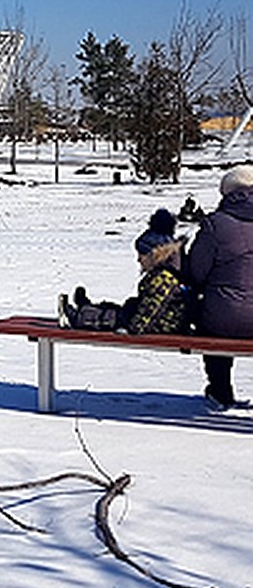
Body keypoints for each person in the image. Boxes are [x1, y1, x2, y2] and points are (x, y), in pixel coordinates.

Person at [185, 164, 253, 408]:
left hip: (223, 318)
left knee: (213, 321)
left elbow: (196, 272)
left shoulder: (216, 224)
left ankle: (220, 390)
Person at [58, 208, 189, 333]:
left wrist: (132, 327)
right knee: (124, 308)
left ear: (154, 256)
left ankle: (76, 318)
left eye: (141, 255)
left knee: (116, 317)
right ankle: (86, 308)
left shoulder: (164, 279)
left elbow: (150, 312)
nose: (138, 260)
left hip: (161, 326)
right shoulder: (165, 273)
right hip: (160, 322)